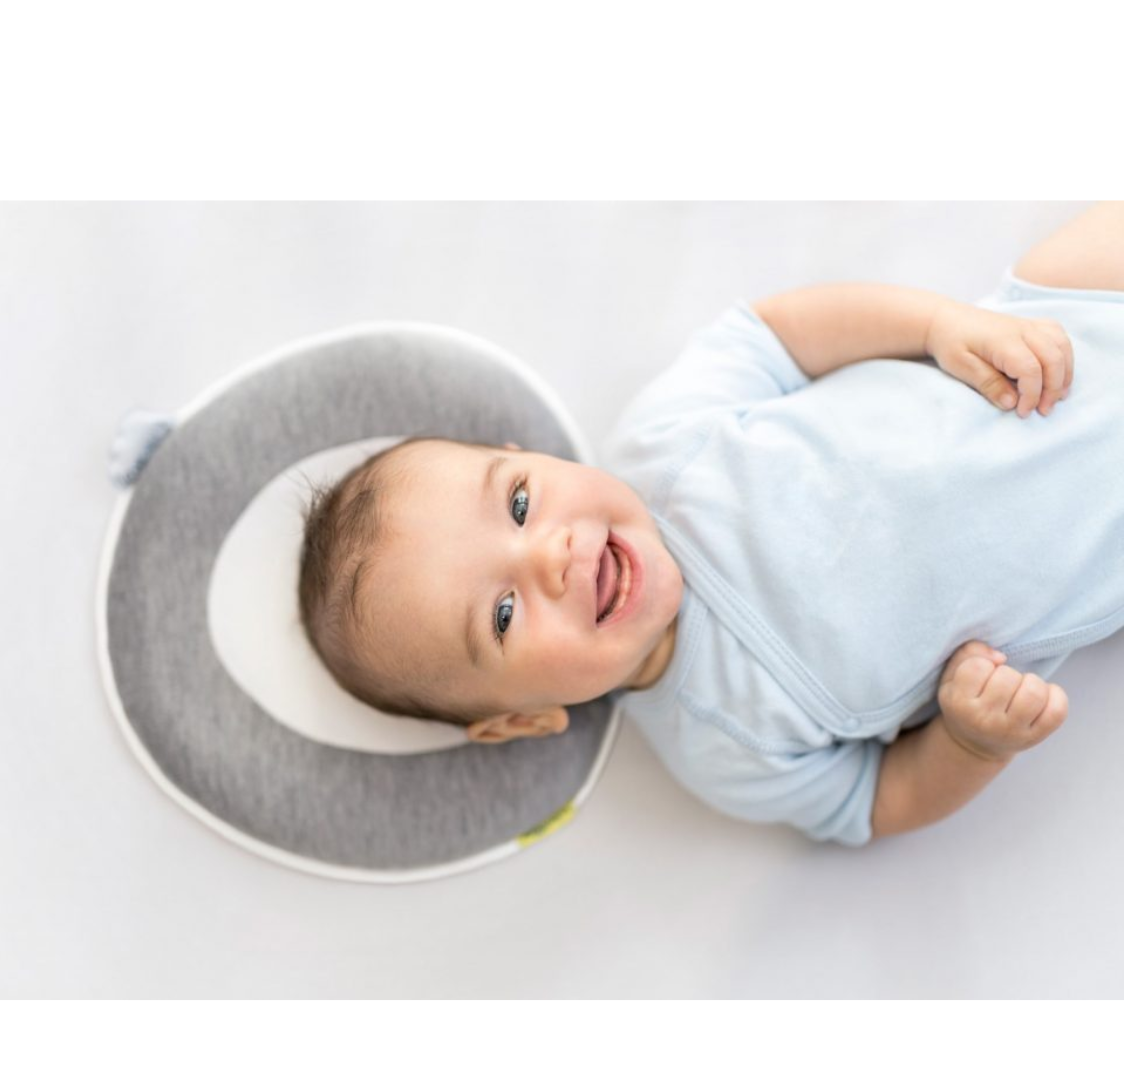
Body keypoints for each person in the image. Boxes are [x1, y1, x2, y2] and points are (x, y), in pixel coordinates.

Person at [298, 202, 1124, 847]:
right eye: (503, 614)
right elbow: (876, 802)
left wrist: (940, 326)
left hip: (1055, 326)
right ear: (521, 719)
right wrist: (973, 745)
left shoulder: (661, 441)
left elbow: (777, 335)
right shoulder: (725, 747)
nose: (550, 555)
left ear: (529, 457)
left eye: (519, 503)